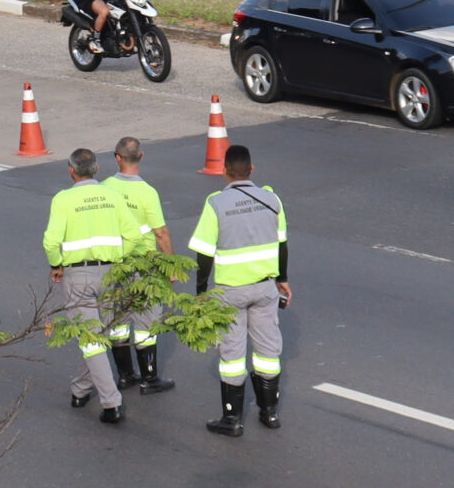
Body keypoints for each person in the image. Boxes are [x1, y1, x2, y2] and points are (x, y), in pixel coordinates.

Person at [188, 143, 289, 438]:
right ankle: (269, 413)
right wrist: (282, 279)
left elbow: (205, 253)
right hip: (265, 288)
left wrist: (201, 292)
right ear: (252, 170)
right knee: (268, 351)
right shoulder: (272, 199)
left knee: (232, 355)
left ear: (224, 172)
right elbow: (282, 244)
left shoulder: (216, 203)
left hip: (230, 291)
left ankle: (232, 420)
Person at [43, 147, 136, 424]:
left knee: (92, 340)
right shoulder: (112, 195)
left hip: (78, 276)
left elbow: (50, 242)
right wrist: (118, 259)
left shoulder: (63, 199)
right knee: (99, 338)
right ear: (97, 169)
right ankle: (81, 389)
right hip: (111, 275)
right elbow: (132, 235)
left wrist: (56, 265)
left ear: (71, 170)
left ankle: (111, 403)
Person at [103, 136, 175, 394]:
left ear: (117, 158)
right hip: (144, 266)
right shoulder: (147, 192)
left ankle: (125, 376)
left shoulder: (105, 188)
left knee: (118, 320)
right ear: (142, 156)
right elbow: (161, 232)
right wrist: (172, 266)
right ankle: (149, 378)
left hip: (115, 265)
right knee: (146, 322)